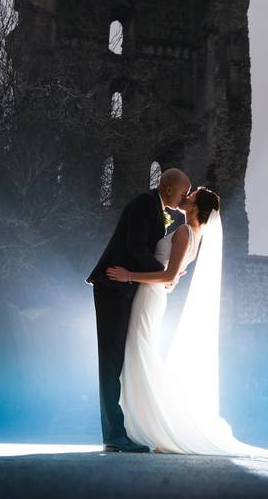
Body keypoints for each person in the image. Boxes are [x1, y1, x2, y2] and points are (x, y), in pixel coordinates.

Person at [106, 188, 268, 462]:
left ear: (195, 206)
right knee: (138, 353)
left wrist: (129, 274)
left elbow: (168, 273)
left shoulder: (184, 233)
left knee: (139, 354)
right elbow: (173, 274)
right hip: (154, 294)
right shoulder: (195, 235)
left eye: (190, 196)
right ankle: (143, 425)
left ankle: (151, 425)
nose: (185, 196)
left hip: (150, 295)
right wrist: (168, 277)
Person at [86, 168, 190, 453]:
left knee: (116, 359)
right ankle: (114, 434)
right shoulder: (146, 203)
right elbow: (134, 247)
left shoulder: (155, 206)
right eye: (183, 191)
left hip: (123, 288)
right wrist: (165, 272)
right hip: (114, 286)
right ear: (168, 188)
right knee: (110, 360)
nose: (184, 197)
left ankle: (117, 432)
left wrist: (164, 274)